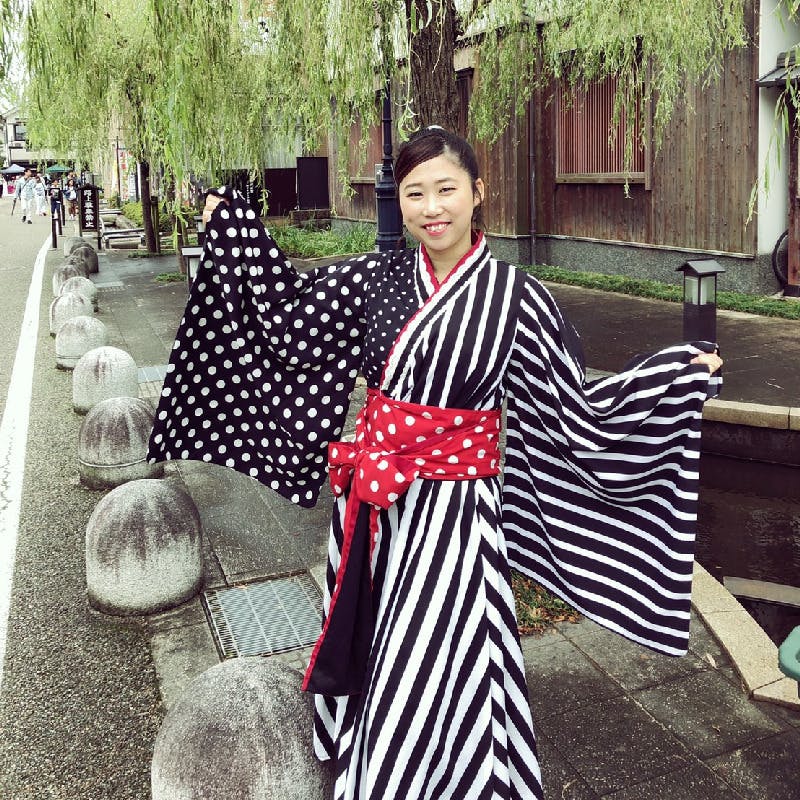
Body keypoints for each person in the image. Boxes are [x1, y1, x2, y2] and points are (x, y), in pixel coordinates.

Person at [147, 127, 722, 800]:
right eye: (415, 193)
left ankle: (429, 776)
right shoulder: (375, 278)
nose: (431, 207)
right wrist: (237, 230)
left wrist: (674, 378)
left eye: (446, 189)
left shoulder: (516, 297)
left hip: (458, 510)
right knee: (381, 635)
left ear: (477, 193)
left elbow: (577, 406)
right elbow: (289, 320)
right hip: (377, 505)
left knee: (442, 645)